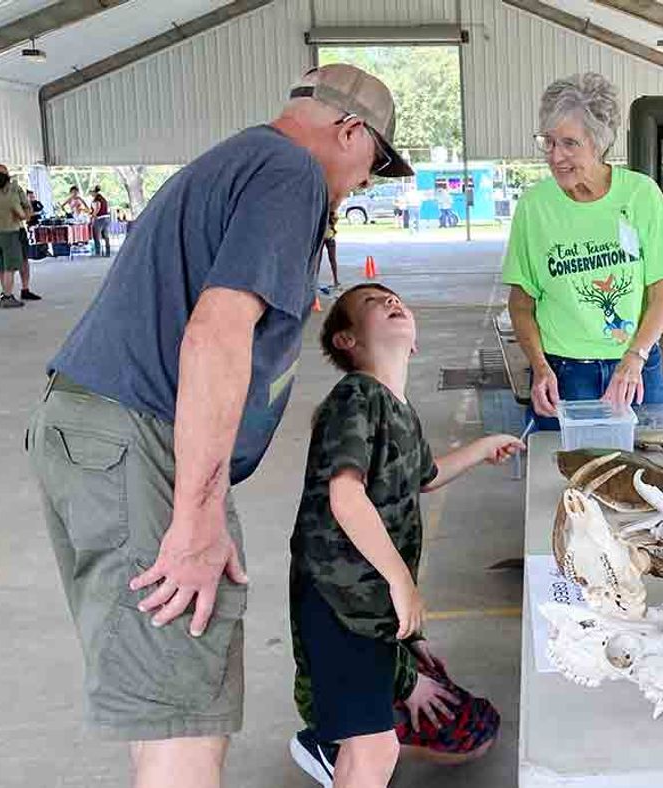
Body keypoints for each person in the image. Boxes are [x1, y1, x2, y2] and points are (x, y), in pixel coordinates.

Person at [27, 63, 414, 788]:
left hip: (101, 432)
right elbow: (216, 332)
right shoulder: (290, 171)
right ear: (349, 130)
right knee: (187, 715)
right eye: (374, 163)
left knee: (165, 705)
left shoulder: (241, 158)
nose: (366, 181)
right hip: (139, 439)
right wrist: (198, 517)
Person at [287, 283, 519, 787]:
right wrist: (401, 583)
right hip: (338, 595)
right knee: (375, 748)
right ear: (348, 340)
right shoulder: (357, 397)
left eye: (396, 300)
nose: (392, 303)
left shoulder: (399, 409)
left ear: (412, 343)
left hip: (365, 603)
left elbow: (426, 475)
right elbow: (345, 496)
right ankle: (332, 740)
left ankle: (333, 737)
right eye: (373, 303)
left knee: (392, 736)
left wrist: (483, 448)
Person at [503, 72, 663, 425]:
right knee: (565, 475)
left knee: (650, 467)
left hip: (635, 369)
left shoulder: (640, 195)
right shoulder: (534, 206)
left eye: (570, 143)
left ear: (598, 143)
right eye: (549, 142)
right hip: (563, 374)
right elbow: (520, 303)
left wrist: (635, 357)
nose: (556, 157)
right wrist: (539, 368)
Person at [0, 165, 29, 308]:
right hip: (11, 232)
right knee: (10, 268)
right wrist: (25, 214)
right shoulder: (10, 193)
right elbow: (22, 214)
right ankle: (7, 297)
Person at [89, 185, 112, 257]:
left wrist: (93, 215)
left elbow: (97, 208)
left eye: (91, 193)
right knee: (106, 235)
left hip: (99, 218)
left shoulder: (97, 199)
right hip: (106, 218)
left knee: (96, 236)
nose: (91, 194)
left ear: (94, 192)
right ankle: (108, 252)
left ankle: (98, 252)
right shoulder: (103, 198)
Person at [323, 208, 340, 288]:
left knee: (332, 259)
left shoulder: (332, 212)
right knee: (317, 260)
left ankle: (336, 280)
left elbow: (336, 218)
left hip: (329, 237)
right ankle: (335, 281)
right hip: (322, 238)